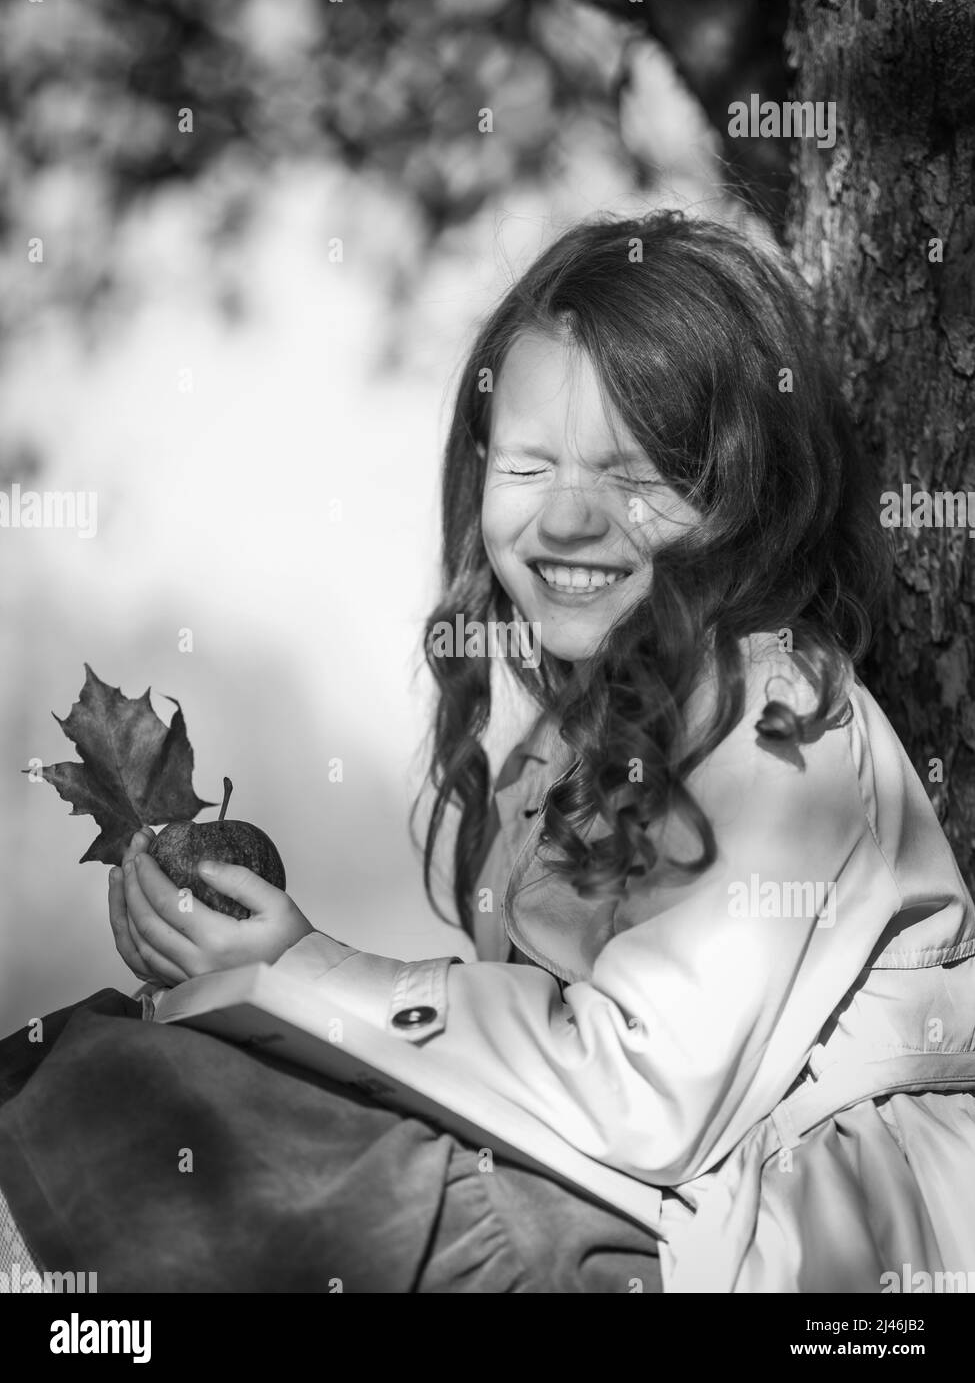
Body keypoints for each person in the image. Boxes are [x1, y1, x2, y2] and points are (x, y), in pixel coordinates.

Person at [2, 211, 974, 1293]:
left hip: (805, 1256)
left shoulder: (779, 714)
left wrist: (310, 973)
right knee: (96, 1065)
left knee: (196, 1133)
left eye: (634, 474)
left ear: (739, 497)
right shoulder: (560, 757)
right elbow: (530, 1077)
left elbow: (639, 1092)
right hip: (636, 1212)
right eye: (529, 464)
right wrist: (248, 984)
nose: (566, 520)